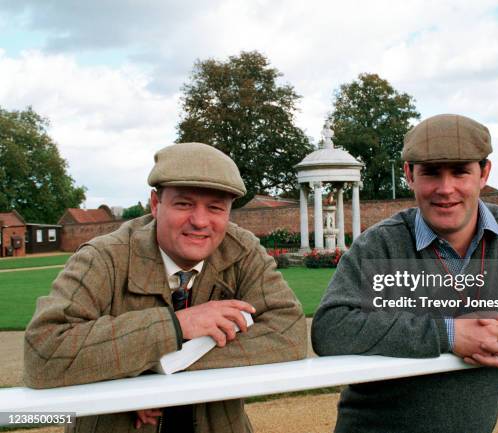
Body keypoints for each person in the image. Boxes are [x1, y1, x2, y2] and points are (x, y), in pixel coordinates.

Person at [311, 114, 498, 433]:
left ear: (484, 173)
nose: (445, 188)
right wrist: (451, 334)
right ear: (409, 174)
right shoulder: (380, 244)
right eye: (431, 173)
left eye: (460, 171)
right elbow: (330, 328)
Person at [24, 142, 307, 433]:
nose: (199, 221)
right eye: (184, 204)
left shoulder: (242, 250)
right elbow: (44, 352)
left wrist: (156, 370)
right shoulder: (104, 257)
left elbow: (289, 333)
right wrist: (176, 325)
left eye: (215, 208)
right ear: (156, 204)